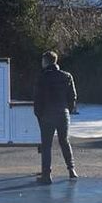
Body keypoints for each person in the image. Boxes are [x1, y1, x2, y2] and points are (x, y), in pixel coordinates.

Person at [33, 50, 78, 184]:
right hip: (63, 113)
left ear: (46, 62)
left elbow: (37, 99)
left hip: (47, 114)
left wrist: (39, 114)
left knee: (46, 145)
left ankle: (46, 175)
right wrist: (67, 110)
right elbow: (73, 96)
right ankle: (71, 170)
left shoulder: (41, 78)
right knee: (64, 141)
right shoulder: (67, 76)